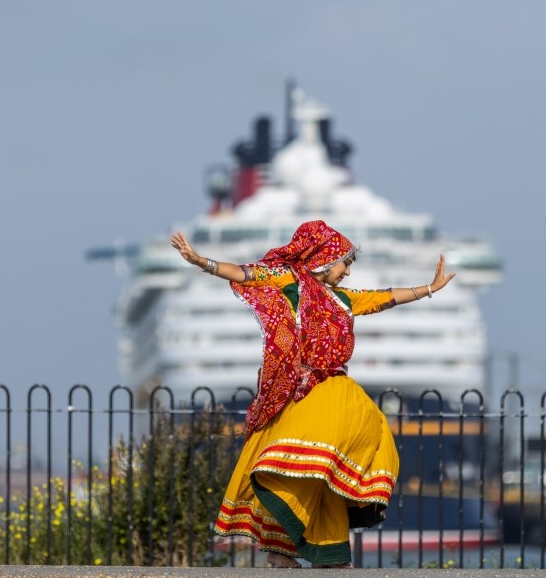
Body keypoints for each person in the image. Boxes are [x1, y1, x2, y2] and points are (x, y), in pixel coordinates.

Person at [170, 220, 456, 568]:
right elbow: (246, 274)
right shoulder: (289, 282)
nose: (348, 272)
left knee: (328, 474)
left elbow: (386, 298)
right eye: (345, 263)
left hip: (334, 391)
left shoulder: (344, 299)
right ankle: (281, 550)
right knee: (302, 471)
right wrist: (202, 262)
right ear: (325, 258)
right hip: (304, 395)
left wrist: (430, 288)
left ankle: (327, 554)